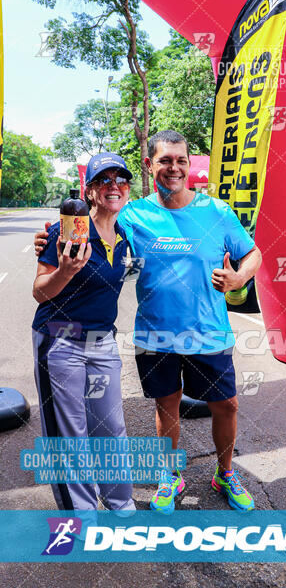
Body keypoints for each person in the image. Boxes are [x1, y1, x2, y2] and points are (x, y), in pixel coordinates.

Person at [35, 130, 262, 514]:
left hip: (209, 332)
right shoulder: (134, 214)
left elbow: (253, 252)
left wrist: (240, 277)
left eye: (180, 160)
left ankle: (225, 473)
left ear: (189, 165)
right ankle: (169, 476)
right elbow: (95, 221)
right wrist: (50, 238)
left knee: (228, 405)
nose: (174, 168)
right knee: (166, 406)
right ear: (150, 165)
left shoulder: (217, 212)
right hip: (155, 334)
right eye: (165, 160)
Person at [32, 152, 136, 516]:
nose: (114, 186)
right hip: (60, 342)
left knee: (111, 426)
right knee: (71, 432)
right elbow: (40, 292)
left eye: (121, 179)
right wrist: (64, 270)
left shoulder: (125, 237)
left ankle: (122, 504)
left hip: (103, 343)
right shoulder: (63, 232)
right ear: (89, 191)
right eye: (104, 180)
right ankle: (82, 511)